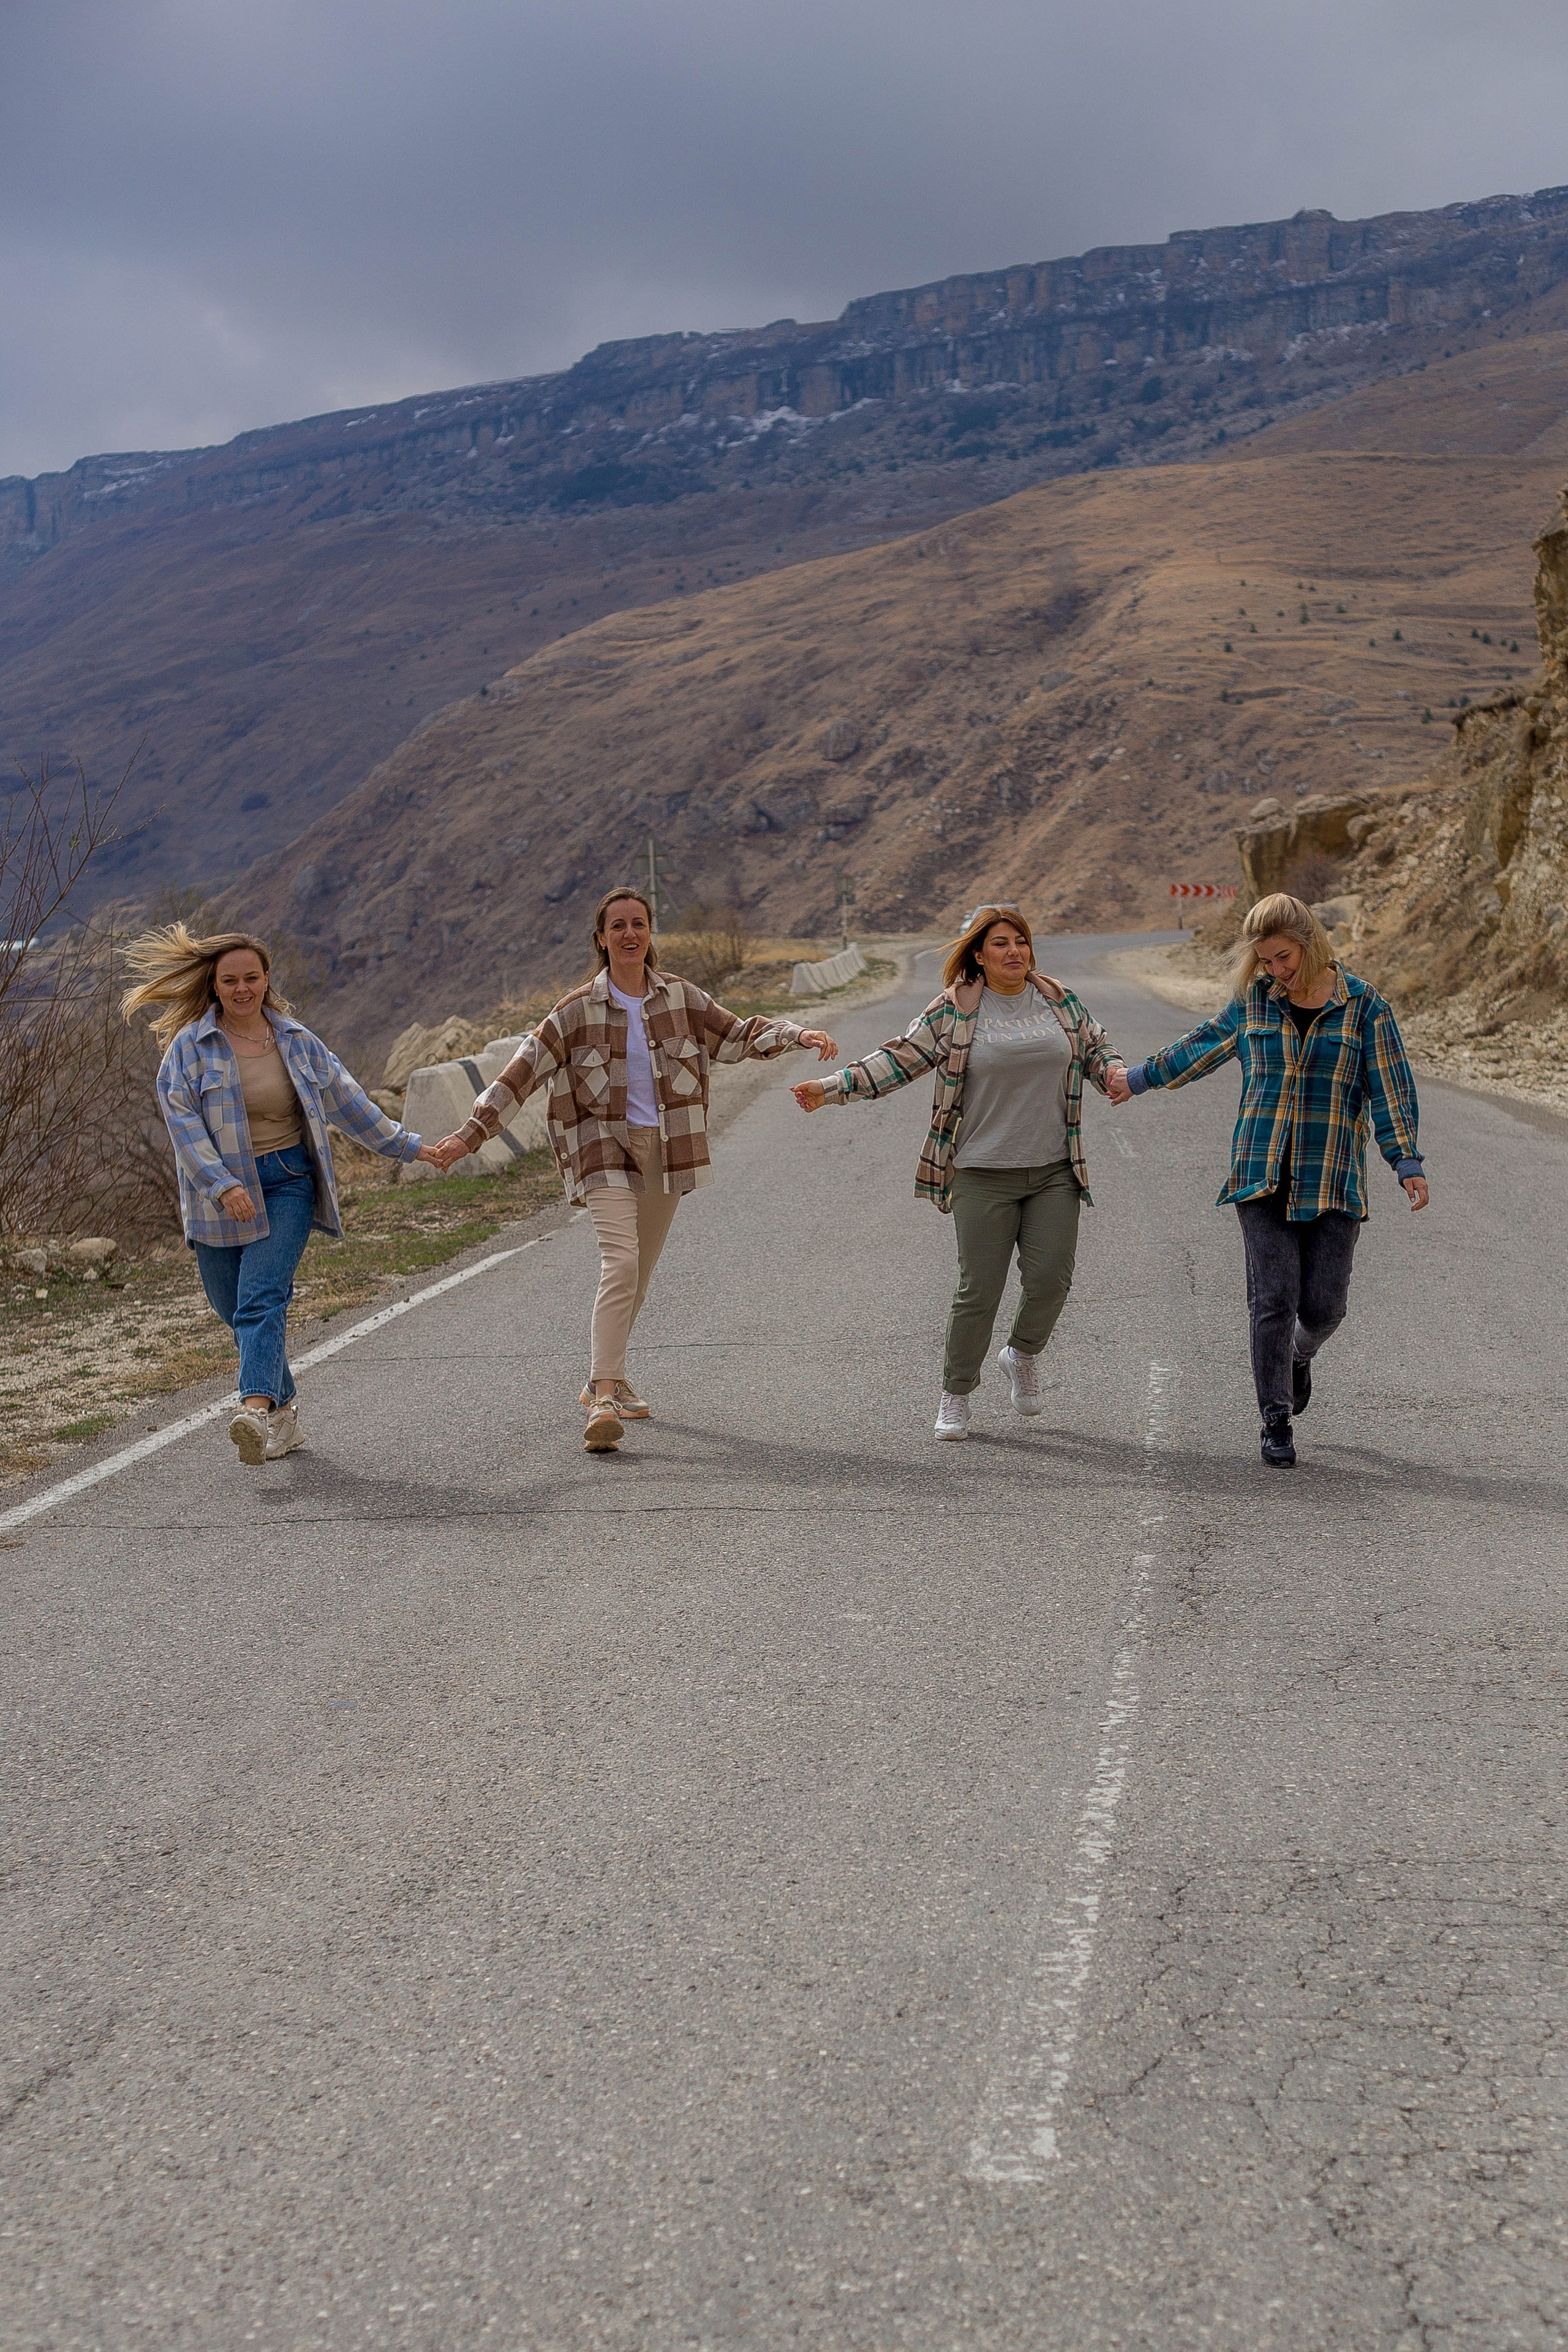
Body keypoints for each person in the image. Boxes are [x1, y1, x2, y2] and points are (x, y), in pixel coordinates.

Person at [429, 886, 838, 1453]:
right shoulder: (574, 1012)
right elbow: (518, 1077)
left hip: (668, 1149)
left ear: (650, 934)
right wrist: (467, 1137)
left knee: (638, 1274)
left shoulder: (681, 999)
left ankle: (612, 1374)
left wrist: (797, 1036)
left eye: (638, 924)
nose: (629, 934)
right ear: (601, 939)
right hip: (601, 1149)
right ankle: (600, 1397)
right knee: (619, 1262)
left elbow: (737, 1035)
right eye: (617, 926)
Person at [1106, 890, 1428, 1468]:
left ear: (1311, 945)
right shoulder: (1255, 1004)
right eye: (1266, 961)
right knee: (1272, 1301)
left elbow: (1391, 1089)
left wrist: (1405, 1161)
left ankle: (1300, 1358)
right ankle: (1274, 1421)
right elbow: (1200, 1048)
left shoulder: (1365, 1008)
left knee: (1325, 1309)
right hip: (1260, 1174)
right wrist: (1138, 1077)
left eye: (1284, 958)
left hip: (1331, 1179)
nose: (1276, 971)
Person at [792, 904, 1125, 1440]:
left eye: (1020, 941)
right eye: (1000, 943)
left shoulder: (1058, 999)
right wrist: (831, 1089)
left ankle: (1021, 1353)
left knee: (1050, 1280)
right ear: (978, 953)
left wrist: (1109, 1069)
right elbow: (896, 1060)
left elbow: (1094, 1046)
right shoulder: (954, 1010)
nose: (1014, 951)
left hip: (1055, 1168)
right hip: (980, 1170)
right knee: (979, 1290)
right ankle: (956, 1394)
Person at [124, 924, 448, 1464]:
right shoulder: (188, 1050)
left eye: (252, 977)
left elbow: (349, 1102)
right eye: (231, 980)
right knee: (235, 1311)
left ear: (267, 979)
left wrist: (412, 1147)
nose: (243, 988)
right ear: (215, 985)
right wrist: (223, 1185)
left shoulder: (296, 1041)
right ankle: (285, 1414)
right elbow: (184, 1130)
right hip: (218, 1196)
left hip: (287, 1183)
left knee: (261, 1299)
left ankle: (253, 1410)